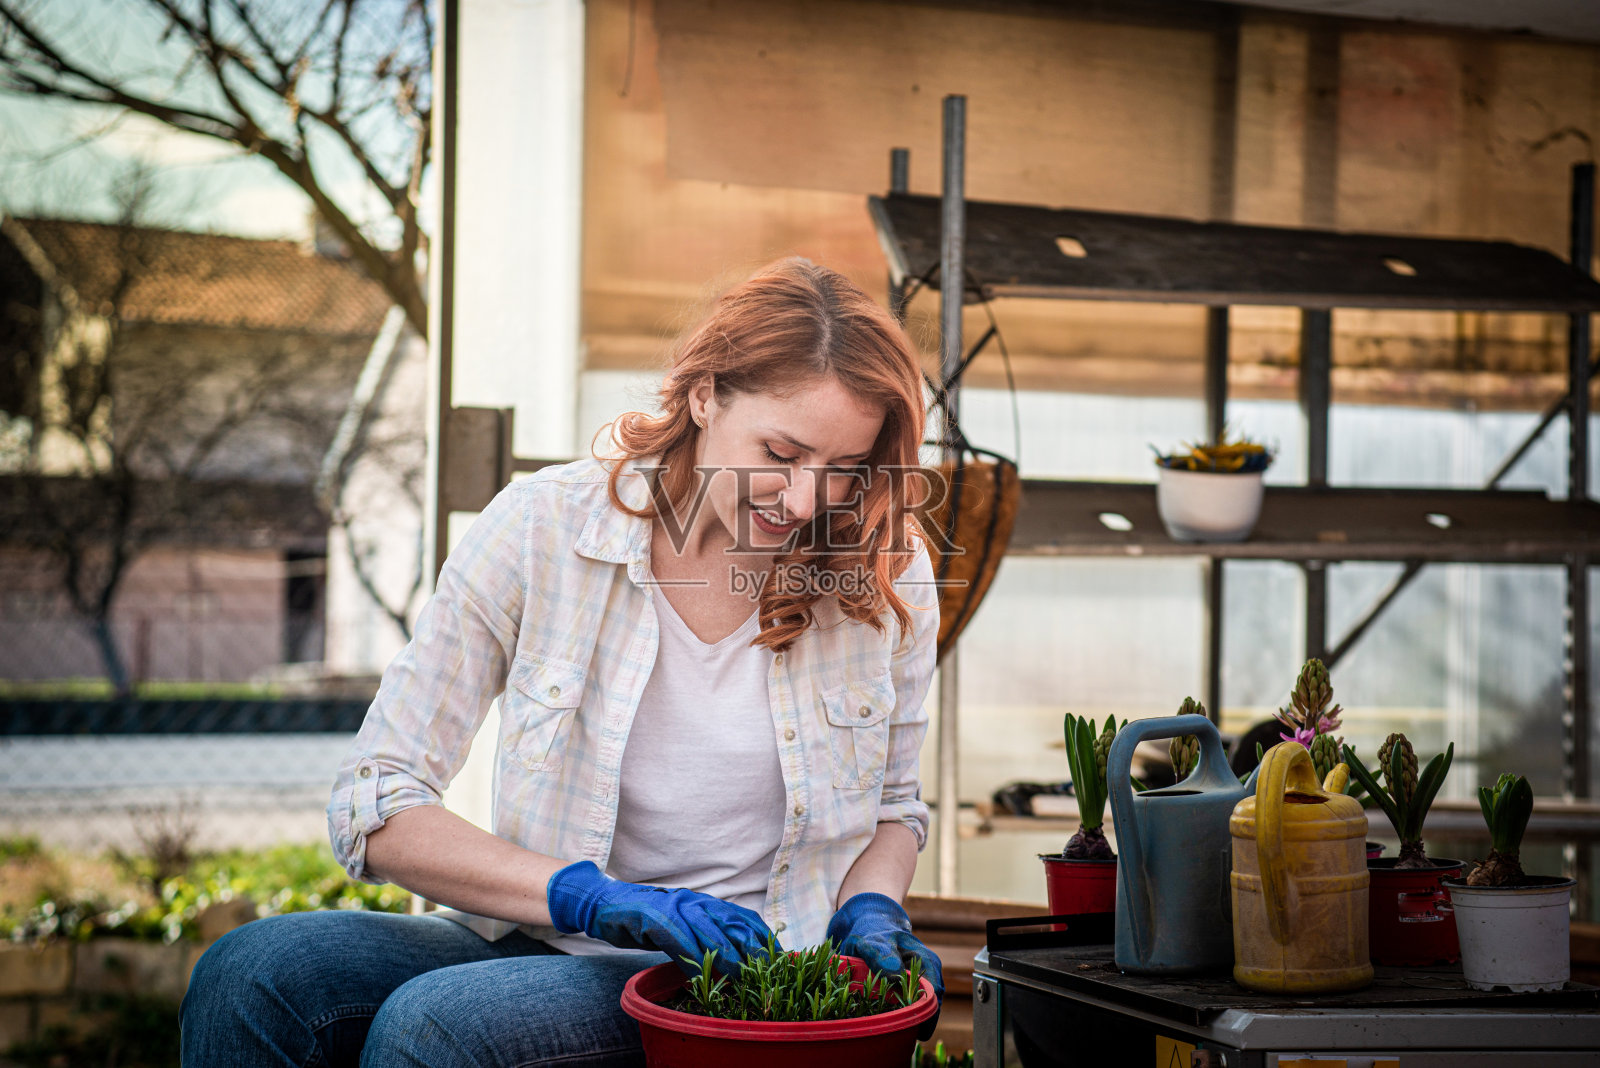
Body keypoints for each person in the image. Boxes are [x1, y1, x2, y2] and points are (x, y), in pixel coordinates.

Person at [180, 258, 945, 1067]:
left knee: (438, 1027)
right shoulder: (543, 527)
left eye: (844, 469)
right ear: (704, 395)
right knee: (251, 975)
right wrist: (588, 898)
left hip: (749, 975)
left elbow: (894, 807)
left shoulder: (885, 571)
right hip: (540, 934)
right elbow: (376, 801)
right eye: (781, 452)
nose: (805, 501)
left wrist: (872, 908)